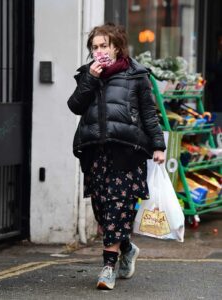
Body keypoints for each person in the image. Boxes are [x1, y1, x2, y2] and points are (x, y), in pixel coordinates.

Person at [67, 23, 166, 290]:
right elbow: (75, 106)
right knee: (103, 212)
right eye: (94, 47)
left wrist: (158, 146)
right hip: (96, 154)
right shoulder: (87, 76)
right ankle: (126, 248)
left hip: (127, 153)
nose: (99, 51)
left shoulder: (136, 76)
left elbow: (148, 114)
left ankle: (108, 268)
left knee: (116, 209)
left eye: (103, 46)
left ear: (116, 47)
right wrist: (90, 78)